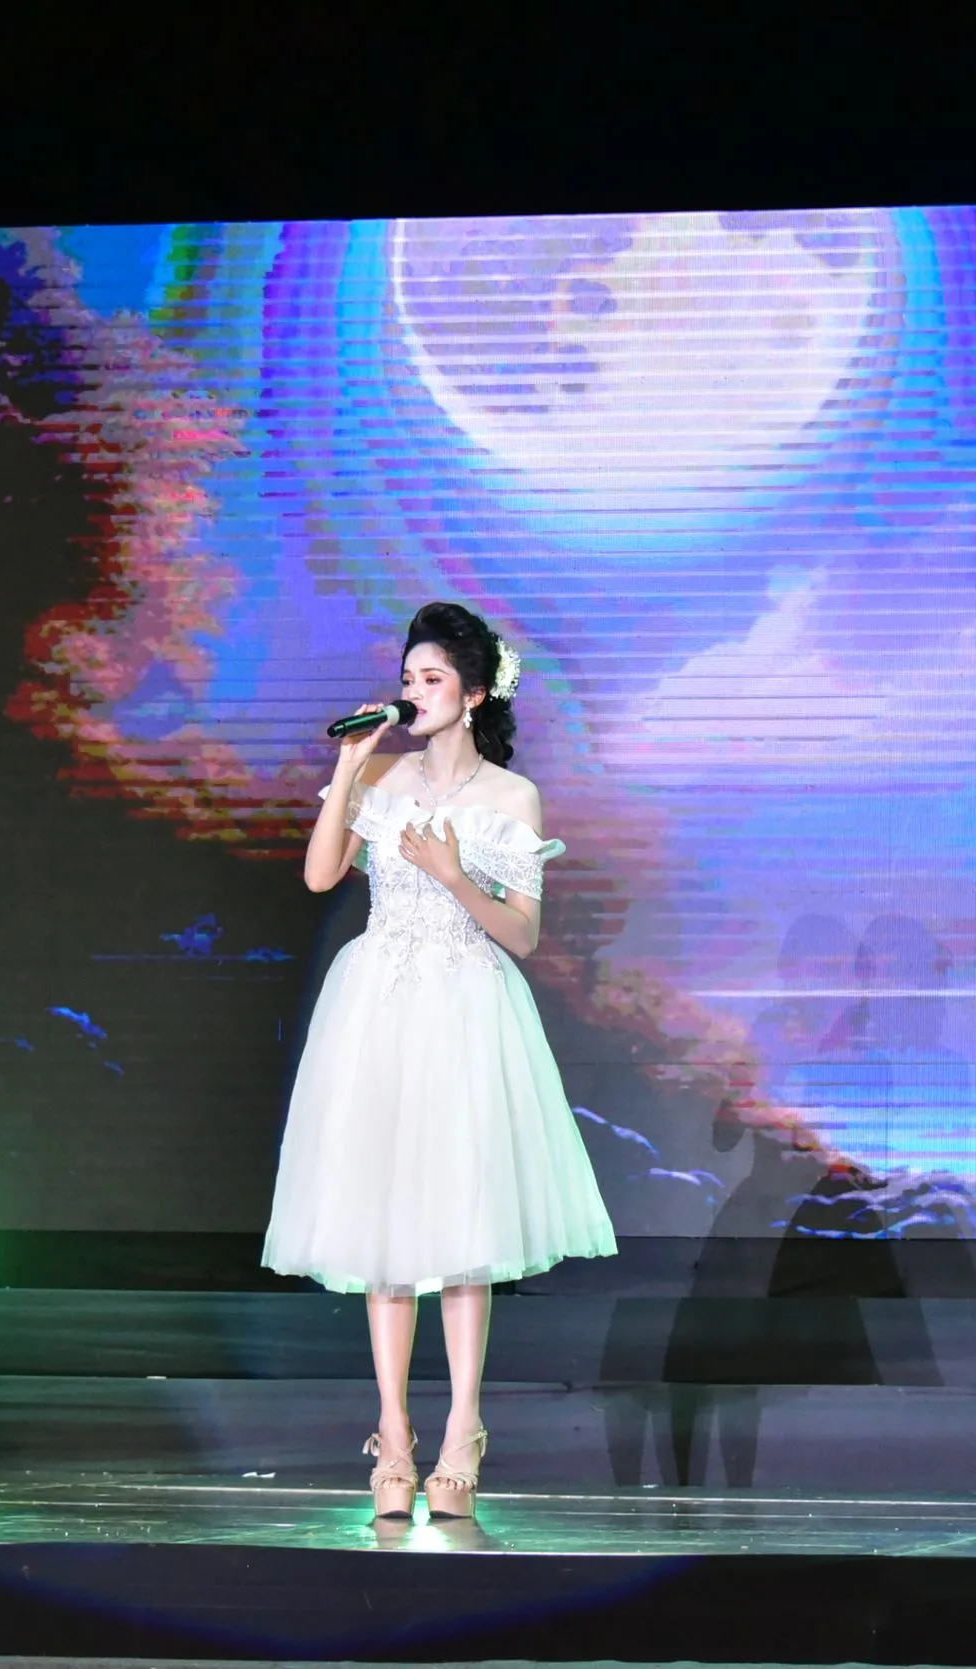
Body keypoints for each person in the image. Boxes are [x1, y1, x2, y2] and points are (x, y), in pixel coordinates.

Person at [264, 602, 616, 1520]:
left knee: (463, 1226)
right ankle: (392, 1432)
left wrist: (455, 874)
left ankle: (463, 1430)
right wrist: (350, 766)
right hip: (378, 1004)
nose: (413, 692)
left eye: (431, 679)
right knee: (381, 1224)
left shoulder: (512, 797)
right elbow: (320, 875)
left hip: (462, 1004)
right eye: (408, 678)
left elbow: (524, 935)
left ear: (473, 693)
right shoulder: (380, 773)